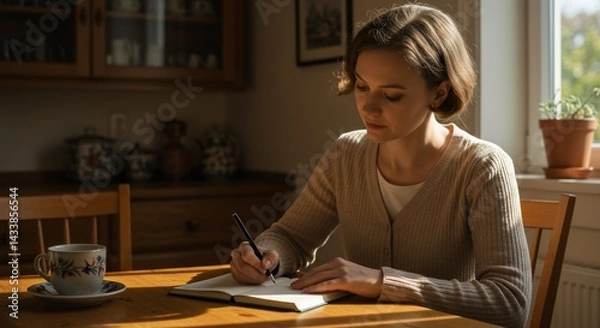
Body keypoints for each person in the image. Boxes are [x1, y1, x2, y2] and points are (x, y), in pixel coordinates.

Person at [230, 3, 532, 327]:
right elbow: (292, 238)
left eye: (391, 95)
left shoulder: (482, 167)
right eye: (362, 87)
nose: (368, 107)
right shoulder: (346, 154)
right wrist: (265, 256)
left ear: (439, 93)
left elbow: (509, 301)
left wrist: (381, 282)